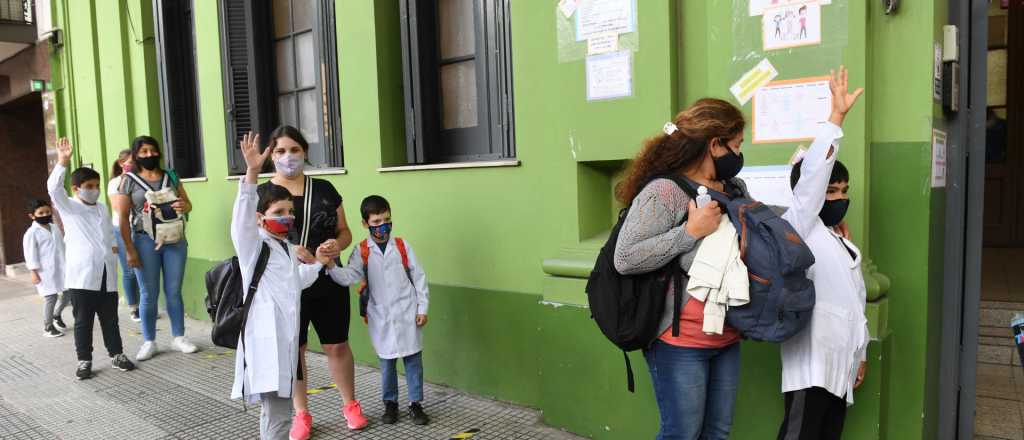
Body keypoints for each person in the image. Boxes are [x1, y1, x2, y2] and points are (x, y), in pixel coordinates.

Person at [613, 98, 749, 440]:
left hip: (727, 333)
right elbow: (626, 257)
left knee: (717, 432)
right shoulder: (665, 191)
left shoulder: (735, 188)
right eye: (736, 145)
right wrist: (689, 232)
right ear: (714, 144)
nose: (739, 153)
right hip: (679, 340)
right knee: (682, 434)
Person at [254, 125, 367, 436]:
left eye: (294, 149)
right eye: (280, 151)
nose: (288, 157)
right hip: (288, 284)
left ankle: (350, 404)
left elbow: (344, 232)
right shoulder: (264, 194)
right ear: (271, 156)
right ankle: (301, 413)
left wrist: (336, 245)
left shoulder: (326, 189)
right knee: (296, 349)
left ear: (305, 151)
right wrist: (292, 251)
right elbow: (255, 238)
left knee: (337, 345)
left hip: (328, 278)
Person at [777, 66, 869, 440]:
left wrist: (859, 356)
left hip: (839, 367)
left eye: (844, 191)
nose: (840, 199)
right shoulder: (801, 225)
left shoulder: (842, 242)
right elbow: (812, 176)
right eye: (831, 192)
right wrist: (836, 118)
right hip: (810, 365)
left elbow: (856, 301)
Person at [231, 131, 329, 440]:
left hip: (285, 344)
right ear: (260, 219)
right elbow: (241, 222)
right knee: (278, 416)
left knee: (276, 414)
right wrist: (251, 174)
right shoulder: (253, 246)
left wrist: (319, 264)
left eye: (289, 212)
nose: (287, 218)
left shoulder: (286, 249)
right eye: (278, 213)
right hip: (266, 345)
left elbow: (294, 284)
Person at [327, 195, 431, 426]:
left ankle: (416, 404)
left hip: (407, 312)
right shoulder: (362, 251)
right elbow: (349, 277)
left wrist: (422, 307)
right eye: (376, 222)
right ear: (365, 224)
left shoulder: (403, 246)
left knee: (413, 361)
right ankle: (390, 404)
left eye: (386, 220)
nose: (382, 226)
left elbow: (419, 277)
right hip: (380, 316)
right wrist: (331, 265)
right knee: (387, 363)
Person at [48, 138, 136, 380]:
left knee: (110, 320)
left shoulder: (101, 208)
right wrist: (63, 162)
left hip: (106, 273)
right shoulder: (69, 207)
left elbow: (108, 233)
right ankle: (84, 360)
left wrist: (116, 248)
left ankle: (116, 354)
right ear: (76, 189)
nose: (94, 189)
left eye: (97, 185)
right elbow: (54, 190)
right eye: (89, 185)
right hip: (82, 277)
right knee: (83, 322)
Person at [112, 136, 196, 361]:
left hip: (174, 240)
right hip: (144, 241)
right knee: (148, 293)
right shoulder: (127, 180)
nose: (149, 155)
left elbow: (188, 204)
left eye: (152, 150)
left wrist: (183, 205)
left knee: (174, 291)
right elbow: (122, 219)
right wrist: (129, 250)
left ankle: (179, 337)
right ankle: (149, 341)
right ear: (136, 155)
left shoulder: (170, 175)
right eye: (144, 151)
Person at [22, 199, 71, 337]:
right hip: (45, 271)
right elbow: (30, 254)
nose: (45, 215)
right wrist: (33, 272)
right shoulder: (31, 233)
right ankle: (48, 327)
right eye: (41, 213)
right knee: (51, 297)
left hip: (61, 267)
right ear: (32, 216)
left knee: (69, 293)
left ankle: (57, 315)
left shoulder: (54, 227)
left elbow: (62, 246)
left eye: (47, 212)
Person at [108, 150, 141, 322]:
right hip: (121, 228)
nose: (133, 165)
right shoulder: (115, 182)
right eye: (130, 162)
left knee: (142, 268)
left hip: (140, 228)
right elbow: (118, 208)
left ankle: (144, 306)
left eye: (135, 161)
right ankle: (134, 308)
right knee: (129, 270)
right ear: (121, 164)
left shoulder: (140, 179)